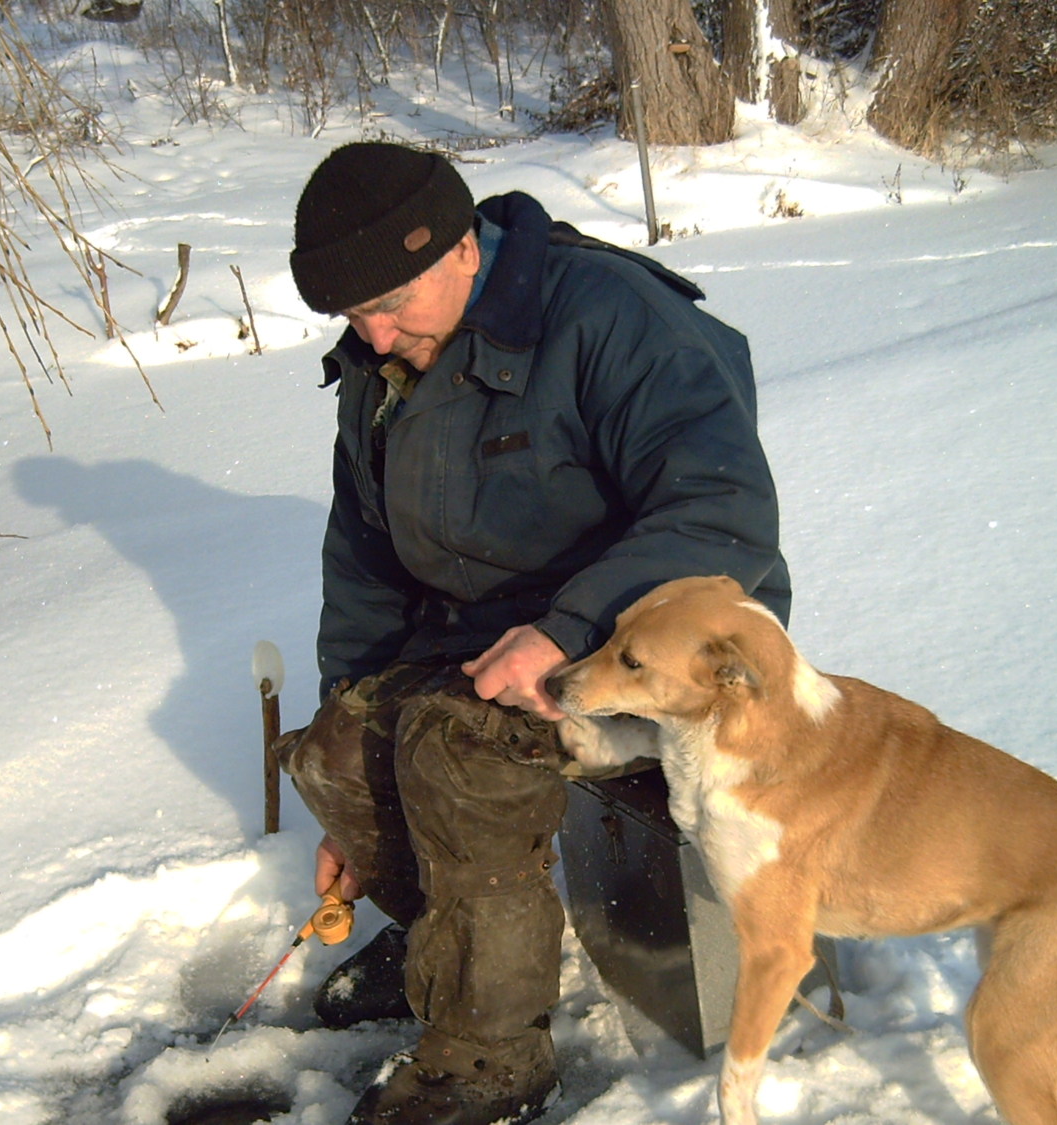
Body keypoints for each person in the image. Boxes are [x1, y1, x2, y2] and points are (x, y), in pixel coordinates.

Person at [278, 142, 790, 1125]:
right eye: (354, 317)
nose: (376, 336)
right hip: (493, 631)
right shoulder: (383, 370)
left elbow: (723, 511)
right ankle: (457, 952)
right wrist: (355, 787)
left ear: (463, 248)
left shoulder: (605, 316)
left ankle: (491, 1060)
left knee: (453, 749)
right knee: (333, 753)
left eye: (392, 305)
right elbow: (366, 569)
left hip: (647, 646)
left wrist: (565, 634)